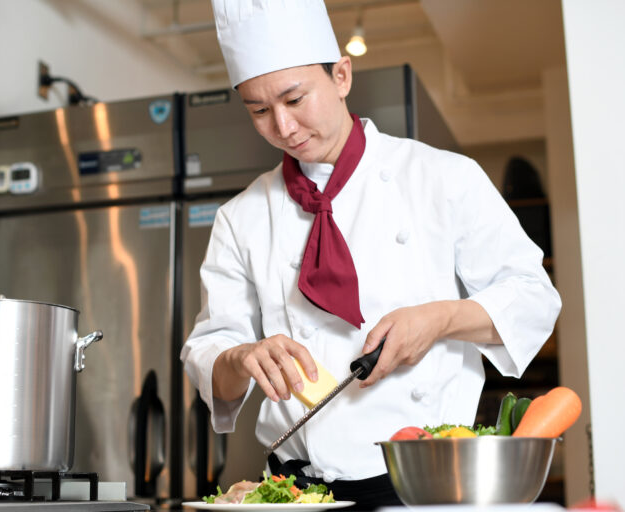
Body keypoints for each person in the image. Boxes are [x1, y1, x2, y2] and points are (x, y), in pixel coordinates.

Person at [181, 0, 561, 508]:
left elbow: (534, 299)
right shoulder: (240, 217)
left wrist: (440, 319)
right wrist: (242, 356)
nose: (284, 127)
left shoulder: (443, 177)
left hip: (426, 487)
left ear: (341, 76)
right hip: (298, 494)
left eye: (295, 99)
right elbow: (211, 358)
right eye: (259, 111)